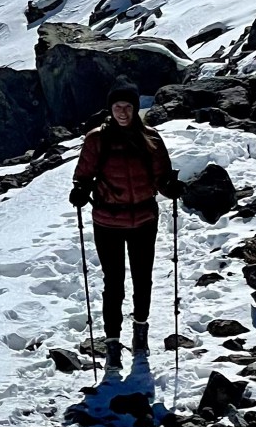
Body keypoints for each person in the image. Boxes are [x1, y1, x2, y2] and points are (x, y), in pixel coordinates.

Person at [69, 79, 179, 377]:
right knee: (113, 283)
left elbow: (162, 177)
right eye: (117, 107)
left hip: (143, 218)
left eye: (127, 107)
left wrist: (171, 187)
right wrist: (80, 189)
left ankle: (140, 334)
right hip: (108, 221)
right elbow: (84, 174)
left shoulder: (150, 138)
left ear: (134, 108)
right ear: (110, 108)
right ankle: (114, 342)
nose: (122, 112)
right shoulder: (96, 140)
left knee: (143, 279)